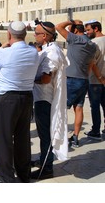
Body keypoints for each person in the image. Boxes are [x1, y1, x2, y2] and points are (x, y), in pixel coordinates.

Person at [0, 21, 39, 183]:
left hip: (8, 99)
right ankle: (23, 174)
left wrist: (4, 46)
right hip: (26, 98)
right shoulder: (33, 52)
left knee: (3, 138)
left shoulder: (5, 52)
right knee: (22, 138)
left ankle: (5, 176)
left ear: (9, 35)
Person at [31, 21, 68, 180]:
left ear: (45, 36)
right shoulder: (49, 50)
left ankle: (46, 169)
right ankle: (43, 160)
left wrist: (29, 80)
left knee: (45, 135)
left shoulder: (52, 53)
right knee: (43, 134)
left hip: (44, 99)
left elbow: (46, 79)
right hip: (41, 98)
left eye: (37, 33)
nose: (34, 35)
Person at [55, 20, 96, 148]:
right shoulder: (92, 45)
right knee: (79, 108)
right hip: (83, 79)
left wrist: (72, 21)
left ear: (76, 30)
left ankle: (59, 138)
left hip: (71, 79)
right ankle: (76, 138)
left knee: (62, 109)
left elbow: (58, 26)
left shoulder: (75, 39)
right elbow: (91, 64)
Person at [84, 20, 105, 139]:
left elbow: (93, 64)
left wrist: (101, 78)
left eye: (88, 30)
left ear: (96, 29)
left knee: (95, 106)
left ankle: (96, 130)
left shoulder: (93, 43)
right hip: (101, 80)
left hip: (96, 81)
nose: (87, 33)